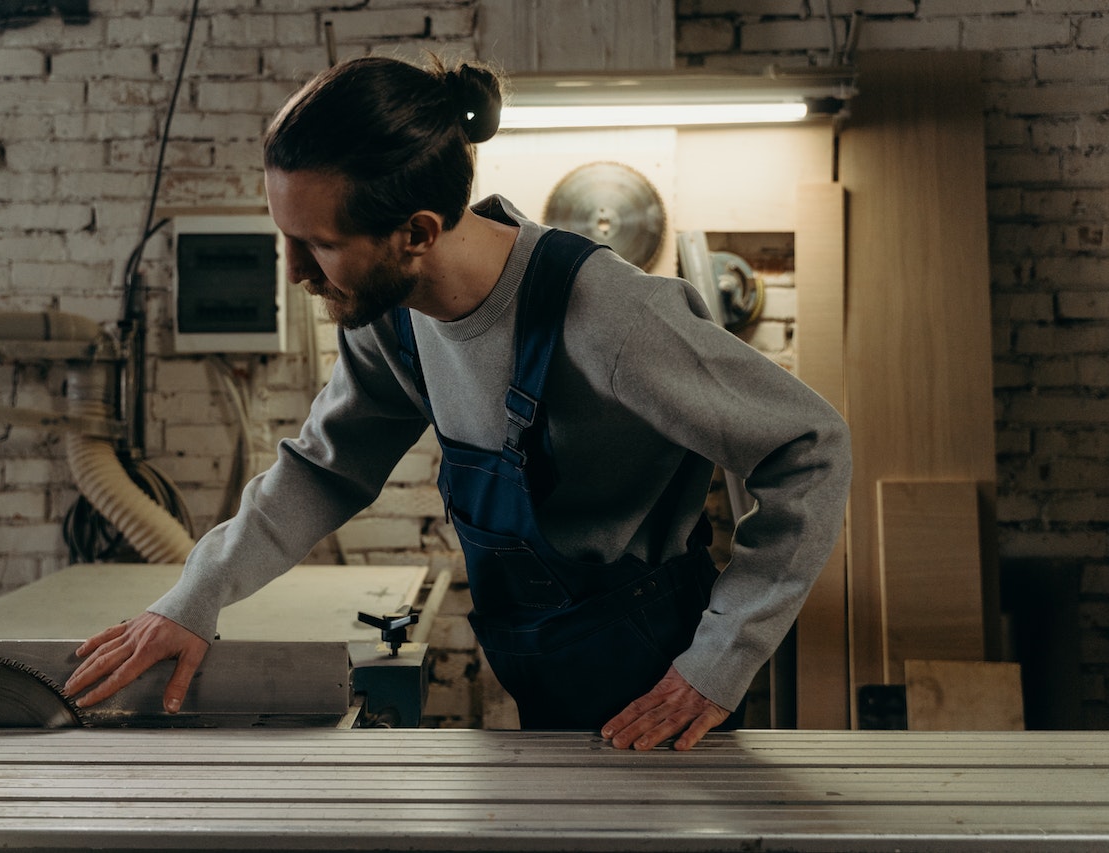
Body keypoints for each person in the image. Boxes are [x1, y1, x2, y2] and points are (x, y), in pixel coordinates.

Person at [64, 54, 851, 751]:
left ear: (416, 231)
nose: (297, 270)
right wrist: (190, 601)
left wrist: (718, 664)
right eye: (287, 237)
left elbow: (809, 445)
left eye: (320, 245)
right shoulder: (392, 314)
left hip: (659, 689)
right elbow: (323, 470)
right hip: (542, 676)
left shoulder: (610, 317)